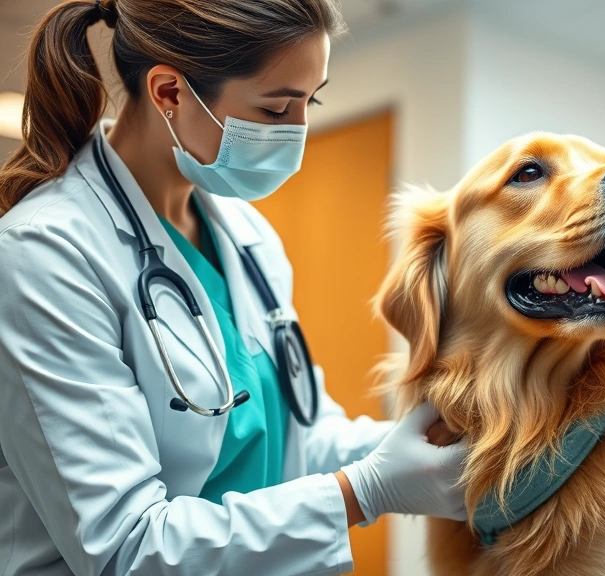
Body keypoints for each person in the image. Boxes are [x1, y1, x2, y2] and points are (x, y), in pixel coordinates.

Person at [0, 1, 466, 574]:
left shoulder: (247, 236)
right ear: (169, 91)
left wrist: (434, 444)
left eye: (309, 100)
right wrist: (362, 492)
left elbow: (298, 441)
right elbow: (126, 547)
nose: (299, 132)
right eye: (276, 108)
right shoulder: (45, 253)